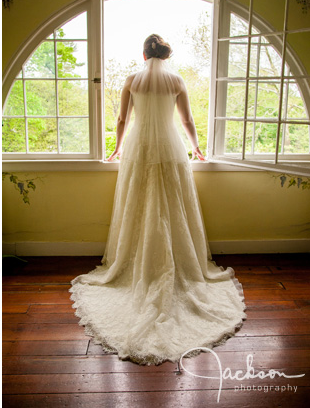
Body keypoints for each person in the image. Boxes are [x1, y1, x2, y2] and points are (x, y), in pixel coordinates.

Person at [70, 34, 246, 365]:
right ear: (166, 54)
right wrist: (196, 147)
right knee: (173, 205)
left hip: (140, 147)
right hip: (169, 146)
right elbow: (187, 120)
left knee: (139, 204)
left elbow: (122, 120)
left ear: (143, 53)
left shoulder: (132, 79)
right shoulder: (176, 80)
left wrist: (118, 147)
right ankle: (175, 262)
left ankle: (141, 261)